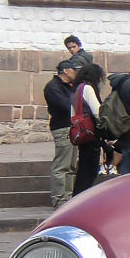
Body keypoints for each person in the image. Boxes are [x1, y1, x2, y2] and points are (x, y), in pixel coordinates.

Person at [43, 60, 78, 206]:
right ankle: (58, 198)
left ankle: (67, 197)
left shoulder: (67, 86)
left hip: (71, 127)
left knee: (71, 166)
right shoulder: (53, 87)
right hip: (62, 127)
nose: (77, 73)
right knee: (62, 165)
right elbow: (65, 105)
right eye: (74, 70)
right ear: (66, 71)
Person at [71, 63, 106, 197]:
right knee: (89, 170)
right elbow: (97, 112)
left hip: (81, 132)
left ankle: (77, 198)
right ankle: (79, 199)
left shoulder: (76, 89)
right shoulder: (88, 88)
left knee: (84, 169)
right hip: (91, 132)